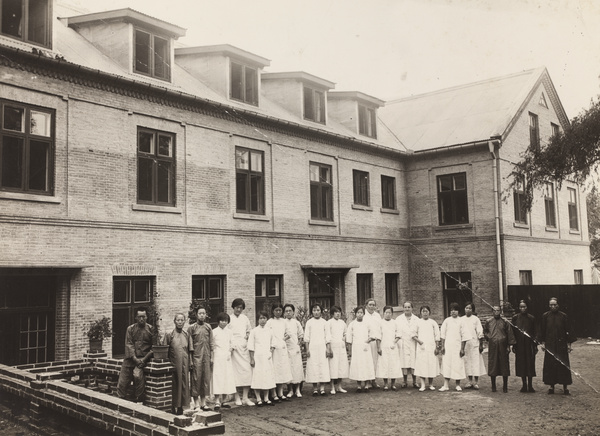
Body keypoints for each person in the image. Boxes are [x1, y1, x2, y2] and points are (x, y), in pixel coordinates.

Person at [539, 297, 576, 395]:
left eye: (554, 304)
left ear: (558, 305)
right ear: (549, 305)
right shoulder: (545, 316)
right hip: (550, 345)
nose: (553, 306)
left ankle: (565, 387)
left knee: (563, 365)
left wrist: (569, 344)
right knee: (550, 365)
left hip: (561, 345)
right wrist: (543, 343)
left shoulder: (563, 316)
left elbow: (568, 330)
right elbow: (542, 330)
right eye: (551, 305)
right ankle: (551, 386)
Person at [117, 307, 155, 403]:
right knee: (122, 380)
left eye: (143, 317)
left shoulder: (151, 329)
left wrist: (144, 360)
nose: (141, 319)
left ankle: (139, 400)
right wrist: (134, 358)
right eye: (139, 317)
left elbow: (154, 347)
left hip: (143, 359)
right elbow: (129, 344)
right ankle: (120, 400)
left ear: (146, 317)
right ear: (136, 318)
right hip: (130, 358)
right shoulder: (130, 329)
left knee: (137, 376)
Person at [228, 298, 255, 406]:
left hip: (244, 348)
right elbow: (227, 333)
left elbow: (249, 331)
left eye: (240, 308)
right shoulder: (229, 318)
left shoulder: (245, 319)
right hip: (234, 349)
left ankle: (245, 397)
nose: (238, 310)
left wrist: (247, 336)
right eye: (237, 307)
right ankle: (237, 397)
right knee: (235, 373)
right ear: (233, 307)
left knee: (247, 372)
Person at [484, 305, 516, 393]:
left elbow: (509, 333)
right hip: (493, 346)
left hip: (503, 345)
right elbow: (485, 331)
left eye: (498, 310)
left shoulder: (505, 322)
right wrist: (489, 337)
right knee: (493, 364)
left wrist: (509, 346)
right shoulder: (489, 321)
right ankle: (493, 386)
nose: (496, 312)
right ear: (492, 312)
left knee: (504, 364)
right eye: (494, 310)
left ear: (500, 311)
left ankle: (505, 386)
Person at [440, 302, 470, 391]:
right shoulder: (447, 321)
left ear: (458, 312)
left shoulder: (462, 321)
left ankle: (457, 384)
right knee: (447, 364)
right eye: (452, 310)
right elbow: (443, 334)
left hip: (457, 347)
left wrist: (462, 349)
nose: (453, 312)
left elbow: (464, 336)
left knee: (457, 365)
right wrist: (442, 346)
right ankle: (445, 385)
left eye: (455, 310)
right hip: (448, 346)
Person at [248, 311, 276, 406]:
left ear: (267, 319)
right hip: (258, 357)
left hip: (267, 357)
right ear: (257, 320)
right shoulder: (254, 331)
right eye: (260, 318)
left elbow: (273, 343)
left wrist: (270, 352)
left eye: (264, 318)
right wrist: (252, 358)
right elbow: (251, 346)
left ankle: (266, 398)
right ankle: (259, 398)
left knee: (267, 377)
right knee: (258, 377)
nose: (262, 320)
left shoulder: (270, 331)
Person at [265, 303, 292, 402]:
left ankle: (280, 393)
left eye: (280, 310)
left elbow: (289, 333)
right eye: (276, 310)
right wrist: (273, 343)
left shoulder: (284, 322)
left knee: (282, 370)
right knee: (274, 370)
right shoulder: (269, 322)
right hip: (273, 349)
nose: (278, 312)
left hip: (282, 348)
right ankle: (273, 393)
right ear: (273, 311)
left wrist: (282, 339)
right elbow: (267, 335)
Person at [165, 313, 191, 415]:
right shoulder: (169, 335)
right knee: (174, 385)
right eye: (178, 320)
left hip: (185, 364)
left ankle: (181, 407)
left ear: (184, 321)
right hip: (174, 364)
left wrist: (190, 363)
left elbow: (190, 350)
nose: (180, 322)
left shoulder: (186, 335)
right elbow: (165, 349)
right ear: (174, 321)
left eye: (182, 320)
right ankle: (172, 406)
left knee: (184, 385)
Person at [304, 303, 332, 396]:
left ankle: (322, 388)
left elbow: (327, 336)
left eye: (318, 310)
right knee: (313, 366)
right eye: (314, 310)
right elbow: (306, 337)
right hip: (312, 347)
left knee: (322, 366)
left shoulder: (324, 322)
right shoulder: (309, 322)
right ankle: (315, 389)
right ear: (312, 312)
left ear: (321, 311)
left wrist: (328, 349)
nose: (316, 312)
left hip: (322, 347)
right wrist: (307, 349)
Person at [346, 306, 376, 392]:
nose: (359, 314)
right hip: (356, 348)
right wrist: (350, 350)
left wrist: (368, 340)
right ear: (355, 314)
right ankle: (359, 385)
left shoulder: (367, 323)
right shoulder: (352, 324)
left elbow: (373, 335)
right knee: (358, 365)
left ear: (363, 314)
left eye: (361, 313)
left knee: (366, 365)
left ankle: (366, 385)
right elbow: (349, 339)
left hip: (366, 348)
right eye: (358, 313)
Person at [189, 306, 213, 411]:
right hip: (196, 357)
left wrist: (211, 357)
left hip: (206, 357)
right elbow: (190, 346)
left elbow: (211, 343)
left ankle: (203, 403)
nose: (202, 315)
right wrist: (191, 360)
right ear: (196, 315)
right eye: (200, 313)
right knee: (196, 379)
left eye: (204, 313)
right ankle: (196, 404)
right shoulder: (192, 328)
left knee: (205, 379)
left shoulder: (208, 327)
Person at [412, 306, 440, 391]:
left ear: (429, 312)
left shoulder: (433, 322)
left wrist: (437, 346)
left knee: (431, 364)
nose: (425, 313)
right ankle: (423, 385)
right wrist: (419, 341)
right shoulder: (417, 322)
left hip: (431, 346)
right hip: (422, 347)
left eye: (426, 311)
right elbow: (413, 334)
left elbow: (437, 335)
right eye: (423, 311)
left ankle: (431, 384)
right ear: (421, 313)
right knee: (422, 365)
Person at [512, 300, 538, 393]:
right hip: (519, 345)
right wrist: (514, 345)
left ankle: (530, 385)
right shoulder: (515, 318)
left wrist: (535, 346)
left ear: (527, 307)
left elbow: (535, 332)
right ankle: (524, 385)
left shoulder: (531, 318)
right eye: (521, 307)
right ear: (519, 308)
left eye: (524, 307)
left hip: (529, 345)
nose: (523, 309)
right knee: (521, 364)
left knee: (530, 364)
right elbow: (513, 332)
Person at [212, 312, 236, 410]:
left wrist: (230, 351)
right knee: (218, 377)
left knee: (227, 377)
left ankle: (225, 400)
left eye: (225, 321)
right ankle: (217, 400)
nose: (223, 323)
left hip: (227, 357)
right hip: (217, 357)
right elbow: (212, 345)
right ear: (218, 321)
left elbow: (233, 343)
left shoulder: (229, 332)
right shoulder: (214, 332)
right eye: (222, 321)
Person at [461, 302, 486, 390]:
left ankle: (475, 382)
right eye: (466, 308)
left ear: (472, 310)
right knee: (467, 362)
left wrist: (481, 345)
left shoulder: (475, 319)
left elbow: (480, 332)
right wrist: (461, 347)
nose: (468, 310)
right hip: (465, 345)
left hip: (474, 343)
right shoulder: (461, 319)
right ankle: (469, 381)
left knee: (475, 362)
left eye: (470, 308)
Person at [377, 306, 401, 390]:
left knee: (393, 364)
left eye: (389, 313)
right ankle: (386, 384)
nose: (388, 315)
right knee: (385, 364)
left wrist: (394, 342)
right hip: (383, 346)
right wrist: (378, 347)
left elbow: (398, 335)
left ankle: (393, 384)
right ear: (383, 313)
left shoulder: (395, 323)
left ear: (392, 314)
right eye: (386, 313)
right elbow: (378, 337)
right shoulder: (380, 323)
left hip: (393, 347)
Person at [283, 303, 304, 398]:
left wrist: (298, 343)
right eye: (286, 311)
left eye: (290, 311)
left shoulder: (296, 323)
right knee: (289, 369)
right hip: (286, 349)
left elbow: (300, 335)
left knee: (297, 368)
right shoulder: (283, 323)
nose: (288, 313)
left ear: (293, 312)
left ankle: (298, 390)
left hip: (295, 349)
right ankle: (290, 390)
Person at [396, 301, 418, 388]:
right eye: (405, 307)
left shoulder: (417, 319)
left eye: (409, 307)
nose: (407, 309)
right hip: (403, 343)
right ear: (403, 308)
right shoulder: (398, 319)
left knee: (413, 362)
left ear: (412, 308)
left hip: (413, 343)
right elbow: (396, 331)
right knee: (404, 362)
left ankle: (415, 381)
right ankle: (404, 381)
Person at [327, 306, 349, 394]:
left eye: (339, 312)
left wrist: (344, 337)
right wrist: (329, 349)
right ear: (332, 314)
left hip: (341, 347)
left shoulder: (342, 323)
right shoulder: (329, 323)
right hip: (333, 347)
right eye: (336, 312)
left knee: (341, 367)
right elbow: (327, 336)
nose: (338, 314)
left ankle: (339, 386)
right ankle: (332, 387)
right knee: (333, 367)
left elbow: (346, 332)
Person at [363, 298, 382, 388]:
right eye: (370, 305)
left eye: (373, 305)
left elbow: (380, 329)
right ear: (366, 305)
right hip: (367, 342)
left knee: (375, 361)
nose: (371, 306)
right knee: (367, 361)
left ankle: (373, 380)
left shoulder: (377, 316)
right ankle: (367, 381)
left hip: (375, 342)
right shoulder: (363, 316)